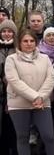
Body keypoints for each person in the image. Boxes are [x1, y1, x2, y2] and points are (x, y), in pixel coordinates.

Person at [5, 30, 54, 155]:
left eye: (31, 41)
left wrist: (41, 97)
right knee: (23, 137)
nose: (29, 43)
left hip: (42, 104)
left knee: (49, 136)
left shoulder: (44, 58)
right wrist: (35, 96)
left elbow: (50, 78)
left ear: (36, 42)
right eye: (25, 41)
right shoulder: (11, 59)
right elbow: (14, 81)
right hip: (19, 104)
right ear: (19, 43)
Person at [0, 20, 17, 155]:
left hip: (14, 92)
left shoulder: (18, 48)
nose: (6, 34)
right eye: (4, 31)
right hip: (0, 93)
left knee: (13, 126)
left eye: (9, 31)